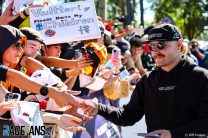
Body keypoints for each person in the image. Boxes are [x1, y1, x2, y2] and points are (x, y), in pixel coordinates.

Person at [80, 24, 208, 138]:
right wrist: (98, 108)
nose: (155, 51)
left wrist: (172, 135)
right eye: (151, 46)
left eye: (160, 44)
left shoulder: (201, 77)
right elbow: (127, 116)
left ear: (179, 44)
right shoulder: (148, 80)